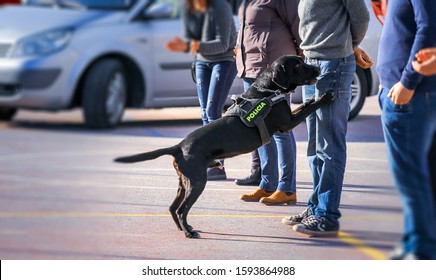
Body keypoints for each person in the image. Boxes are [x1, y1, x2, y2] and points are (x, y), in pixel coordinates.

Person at [282, 0, 370, 237]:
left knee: (329, 144)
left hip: (333, 64)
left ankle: (326, 215)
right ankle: (315, 207)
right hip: (312, 64)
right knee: (315, 145)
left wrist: (348, 46)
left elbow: (361, 18)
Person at [376, 0, 436, 259]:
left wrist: (407, 81)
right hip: (398, 91)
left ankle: (422, 251)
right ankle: (415, 242)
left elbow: (429, 28)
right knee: (411, 178)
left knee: (411, 179)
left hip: (409, 93)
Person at [234, 0, 301, 205]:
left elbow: (298, 24)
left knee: (280, 130)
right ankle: (267, 184)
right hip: (251, 69)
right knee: (259, 128)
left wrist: (299, 59)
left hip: (274, 73)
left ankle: (287, 188)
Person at [166, 0, 237, 181]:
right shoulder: (187, 8)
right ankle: (210, 162)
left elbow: (222, 44)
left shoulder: (221, 6)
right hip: (201, 62)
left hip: (223, 60)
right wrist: (187, 46)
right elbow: (189, 38)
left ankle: (219, 166)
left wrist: (194, 46)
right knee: (205, 113)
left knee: (213, 113)